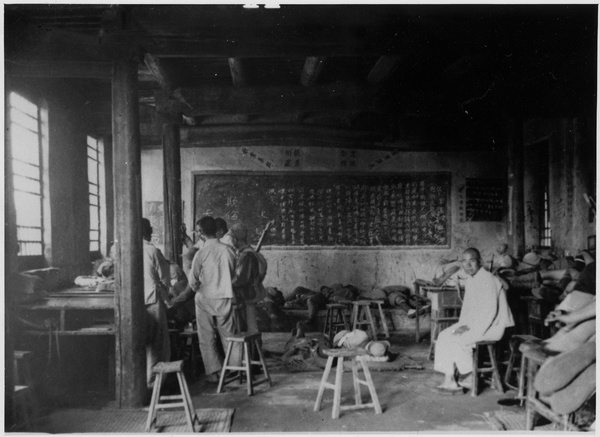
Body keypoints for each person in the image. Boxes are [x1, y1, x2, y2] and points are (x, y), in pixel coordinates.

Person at [434, 248, 514, 392]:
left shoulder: (488, 278)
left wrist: (466, 329)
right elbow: (467, 311)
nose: (468, 265)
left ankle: (470, 375)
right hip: (474, 324)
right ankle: (450, 379)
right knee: (445, 335)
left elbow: (490, 312)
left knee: (457, 339)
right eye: (464, 261)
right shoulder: (471, 280)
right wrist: (461, 326)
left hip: (492, 325)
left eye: (472, 260)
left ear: (480, 262)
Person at [188, 216, 239, 382]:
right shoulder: (229, 250)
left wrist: (200, 288)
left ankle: (214, 373)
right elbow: (233, 273)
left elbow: (192, 280)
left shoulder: (201, 253)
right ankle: (235, 368)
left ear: (201, 233)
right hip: (224, 296)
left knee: (207, 336)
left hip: (205, 298)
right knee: (229, 334)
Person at [142, 218, 172, 388]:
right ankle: (153, 382)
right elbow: (165, 278)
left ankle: (142, 381)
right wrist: (167, 294)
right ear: (150, 231)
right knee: (157, 343)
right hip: (152, 300)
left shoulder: (121, 250)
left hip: (133, 303)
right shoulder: (152, 251)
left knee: (140, 342)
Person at [229, 223, 266, 335]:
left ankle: (251, 351)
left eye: (232, 238)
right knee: (250, 327)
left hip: (246, 296)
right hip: (247, 295)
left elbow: (240, 280)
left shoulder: (246, 256)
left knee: (250, 329)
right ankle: (251, 350)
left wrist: (225, 284)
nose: (231, 241)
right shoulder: (245, 253)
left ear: (236, 239)